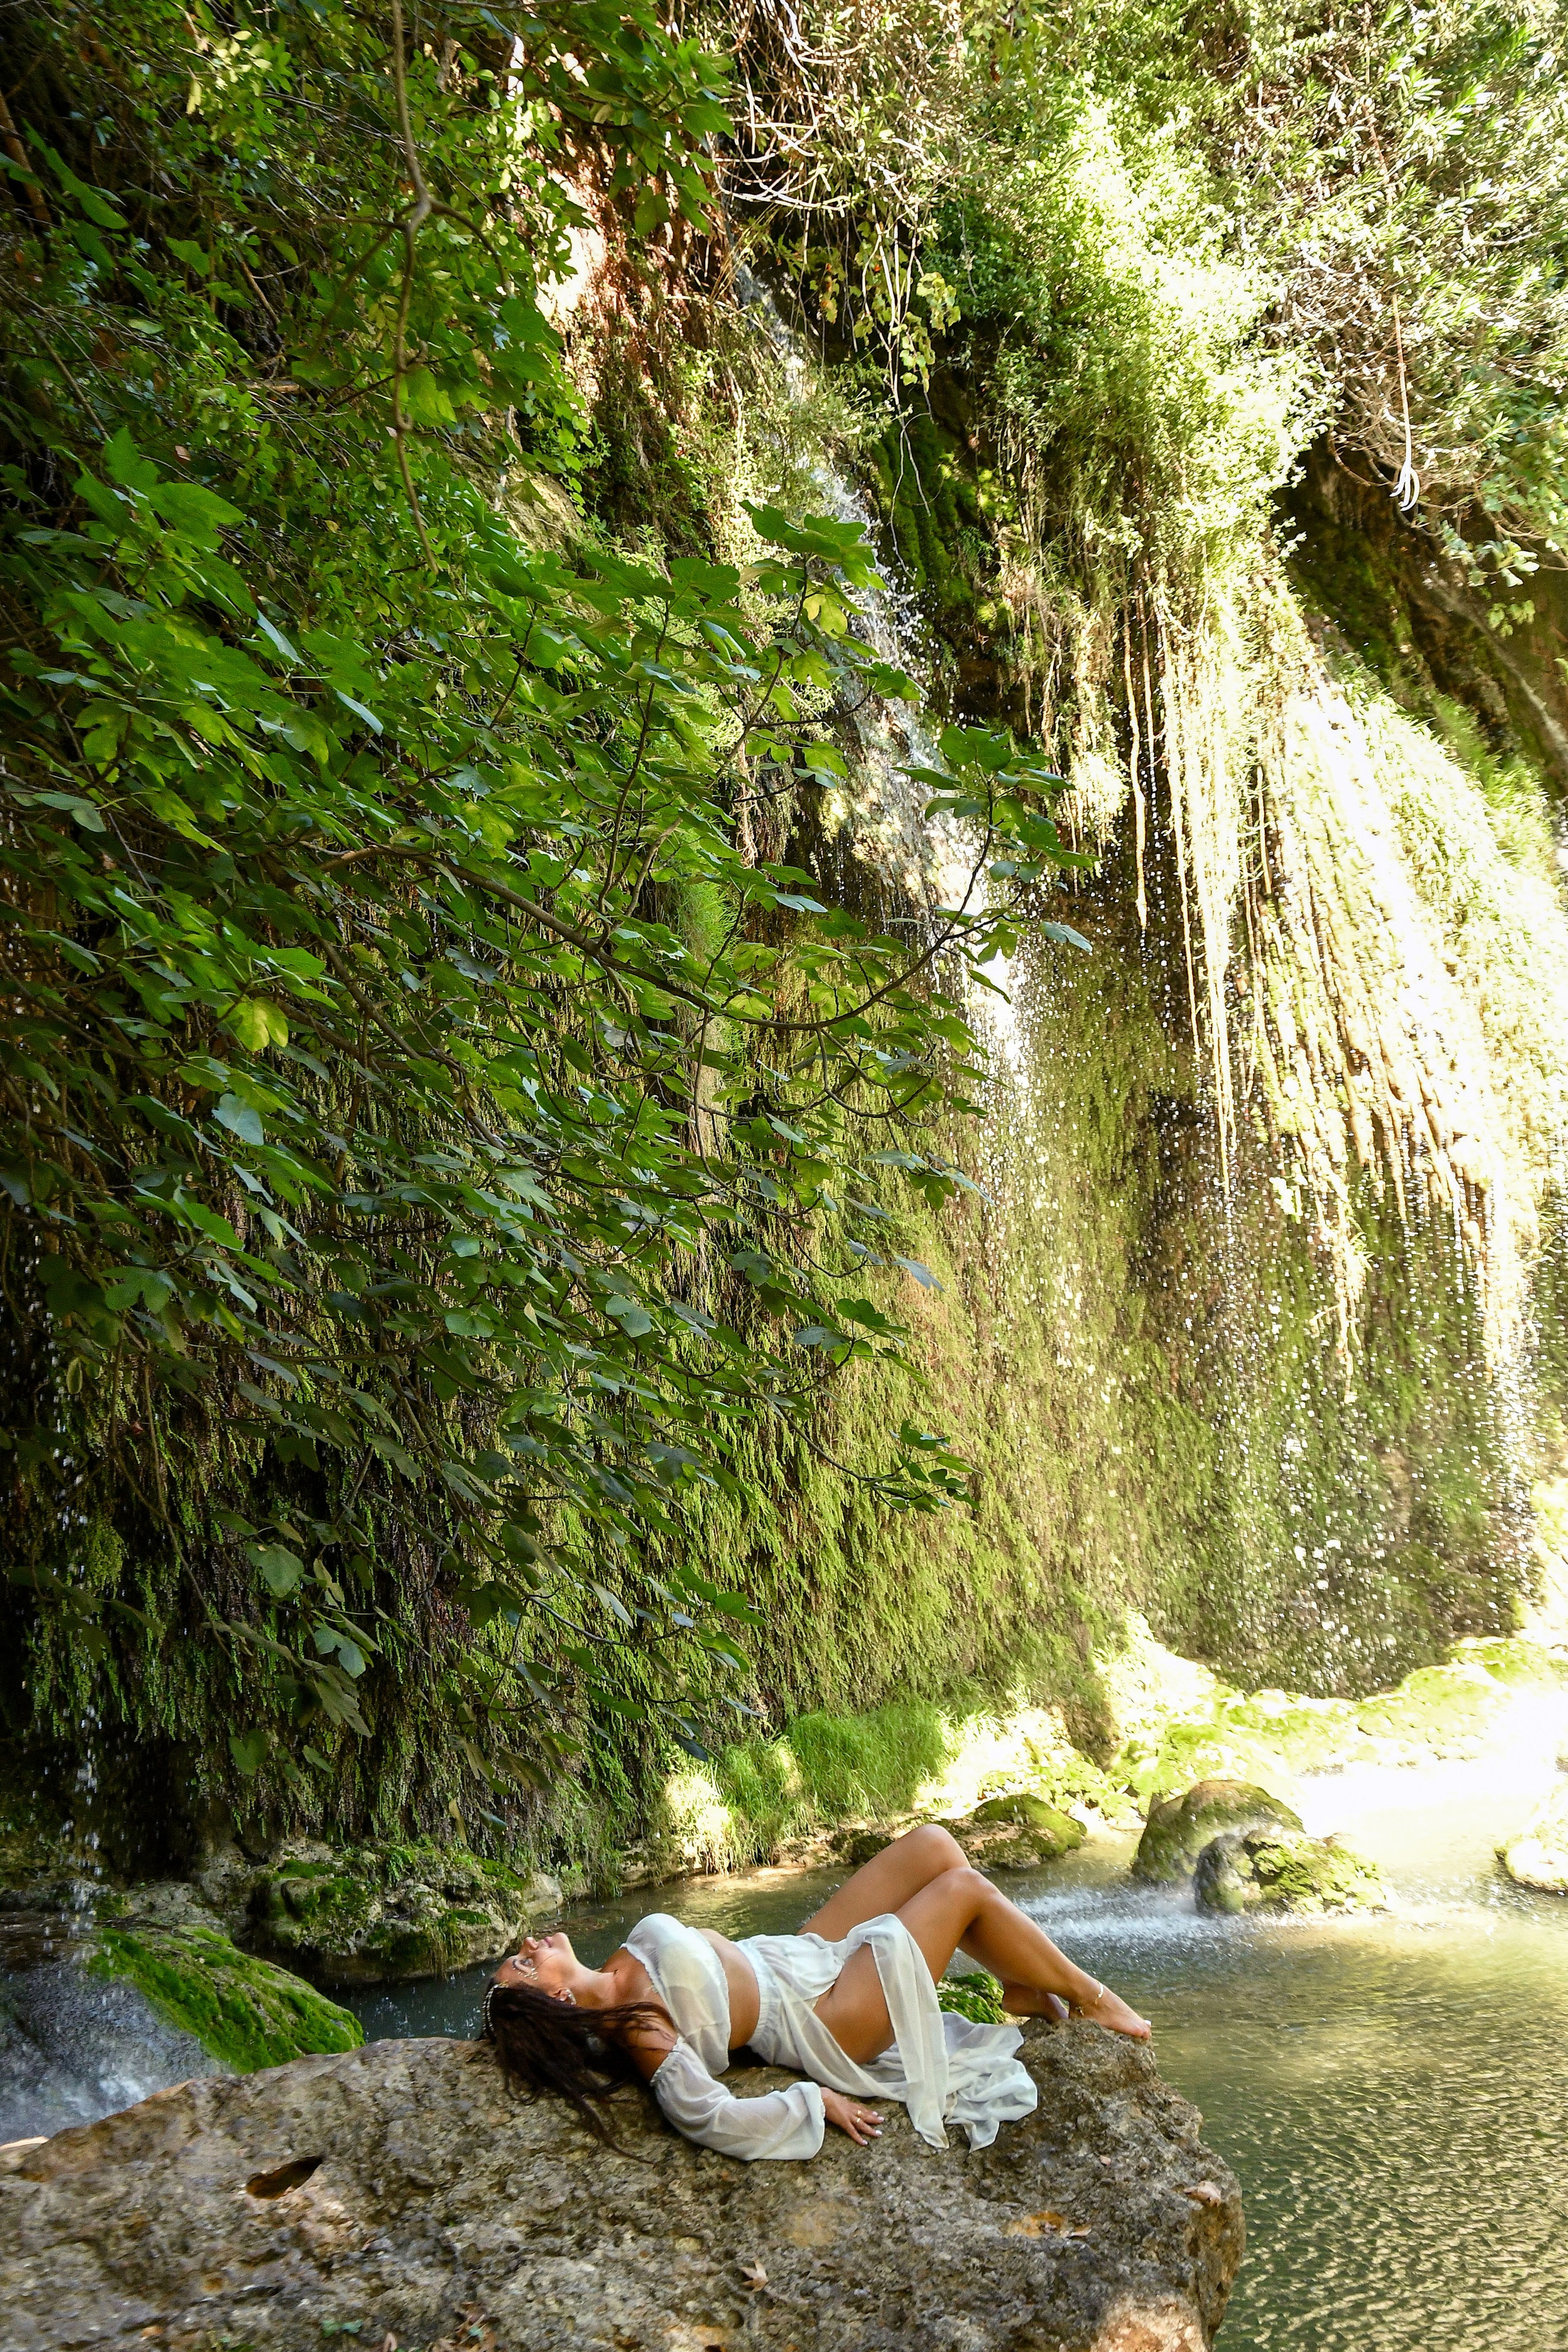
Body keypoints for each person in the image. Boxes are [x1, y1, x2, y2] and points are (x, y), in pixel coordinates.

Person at [481, 1822, 1150, 2161]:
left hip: (800, 1954)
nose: (532, 1945)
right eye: (525, 1964)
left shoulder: (614, 1964)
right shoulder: (639, 2028)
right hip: (826, 2017)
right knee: (963, 1891)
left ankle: (1018, 1985)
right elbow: (709, 2116)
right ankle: (1093, 1998)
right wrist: (810, 2101)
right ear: (558, 2001)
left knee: (936, 1846)